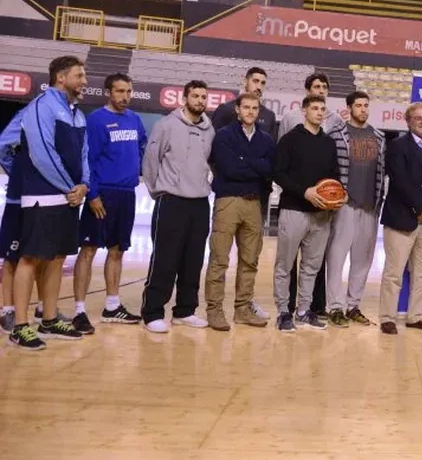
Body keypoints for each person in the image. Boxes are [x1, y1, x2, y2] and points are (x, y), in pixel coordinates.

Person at [8, 56, 89, 349]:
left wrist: (84, 186)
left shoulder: (77, 114)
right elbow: (42, 153)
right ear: (61, 78)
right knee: (30, 257)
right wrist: (71, 186)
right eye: (79, 76)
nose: (84, 81)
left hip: (69, 197)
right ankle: (19, 326)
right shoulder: (41, 106)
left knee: (57, 258)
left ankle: (50, 318)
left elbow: (84, 156)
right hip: (43, 196)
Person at [72, 73, 147, 334]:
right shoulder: (96, 120)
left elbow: (141, 149)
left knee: (117, 250)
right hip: (102, 193)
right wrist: (92, 194)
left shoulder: (135, 120)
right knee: (89, 249)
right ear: (108, 92)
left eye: (128, 91)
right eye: (119, 91)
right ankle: (79, 311)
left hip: (126, 194)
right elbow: (87, 160)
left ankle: (112, 306)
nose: (124, 97)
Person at [140, 80, 215, 334]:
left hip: (199, 204)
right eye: (195, 96)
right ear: (185, 98)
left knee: (193, 260)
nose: (200, 101)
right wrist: (158, 191)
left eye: (204, 97)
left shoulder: (209, 129)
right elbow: (151, 161)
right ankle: (152, 312)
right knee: (164, 258)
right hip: (171, 201)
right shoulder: (166, 125)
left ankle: (185, 310)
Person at [271, 95, 345, 332]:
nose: (319, 112)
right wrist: (305, 192)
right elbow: (278, 173)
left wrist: (337, 196)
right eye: (314, 108)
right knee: (285, 265)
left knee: (311, 267)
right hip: (294, 210)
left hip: (321, 214)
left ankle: (303, 311)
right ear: (304, 111)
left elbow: (335, 177)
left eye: (323, 109)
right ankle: (283, 312)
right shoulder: (290, 140)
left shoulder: (328, 143)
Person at [204, 92, 275, 331]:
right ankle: (214, 311)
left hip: (253, 203)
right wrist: (256, 166)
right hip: (228, 202)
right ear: (237, 109)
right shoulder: (224, 135)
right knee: (219, 259)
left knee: (250, 261)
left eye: (255, 108)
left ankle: (242, 309)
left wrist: (246, 161)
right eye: (246, 107)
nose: (250, 112)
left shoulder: (266, 139)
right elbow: (228, 168)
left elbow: (269, 169)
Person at [379, 102, 422, 335]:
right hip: (402, 219)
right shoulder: (397, 146)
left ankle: (415, 316)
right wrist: (419, 207)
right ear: (408, 121)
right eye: (417, 118)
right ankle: (387, 317)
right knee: (394, 272)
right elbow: (399, 180)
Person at [324, 91, 386, 328]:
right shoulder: (337, 134)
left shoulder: (379, 137)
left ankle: (353, 305)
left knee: (363, 260)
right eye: (358, 105)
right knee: (337, 257)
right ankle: (334, 306)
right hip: (344, 205)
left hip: (370, 206)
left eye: (366, 105)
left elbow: (381, 171)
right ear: (349, 108)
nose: (363, 109)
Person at [0, 107, 26, 333]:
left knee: (43, 256)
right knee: (11, 257)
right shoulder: (28, 114)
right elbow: (2, 146)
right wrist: (17, 173)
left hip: (47, 198)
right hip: (19, 199)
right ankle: (8, 310)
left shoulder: (70, 115)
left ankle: (44, 310)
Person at [212, 66, 277, 139]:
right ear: (245, 82)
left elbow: (271, 147)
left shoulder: (269, 115)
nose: (259, 87)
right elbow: (214, 140)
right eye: (255, 81)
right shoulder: (225, 109)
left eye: (263, 83)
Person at [277, 72, 344, 139]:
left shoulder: (336, 119)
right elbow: (281, 146)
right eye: (317, 87)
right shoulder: (290, 117)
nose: (321, 91)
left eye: (324, 87)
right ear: (308, 91)